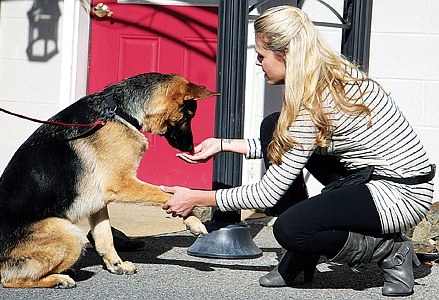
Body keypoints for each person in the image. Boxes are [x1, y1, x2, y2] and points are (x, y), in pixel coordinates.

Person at [161, 6, 435, 297]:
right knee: (272, 127)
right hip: (369, 176)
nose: (257, 62)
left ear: (285, 54)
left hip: (399, 193)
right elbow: (293, 147)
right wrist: (224, 145)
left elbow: (268, 193)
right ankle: (304, 254)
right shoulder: (325, 73)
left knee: (290, 229)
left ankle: (389, 250)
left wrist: (196, 197)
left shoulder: (313, 99)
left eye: (262, 55)